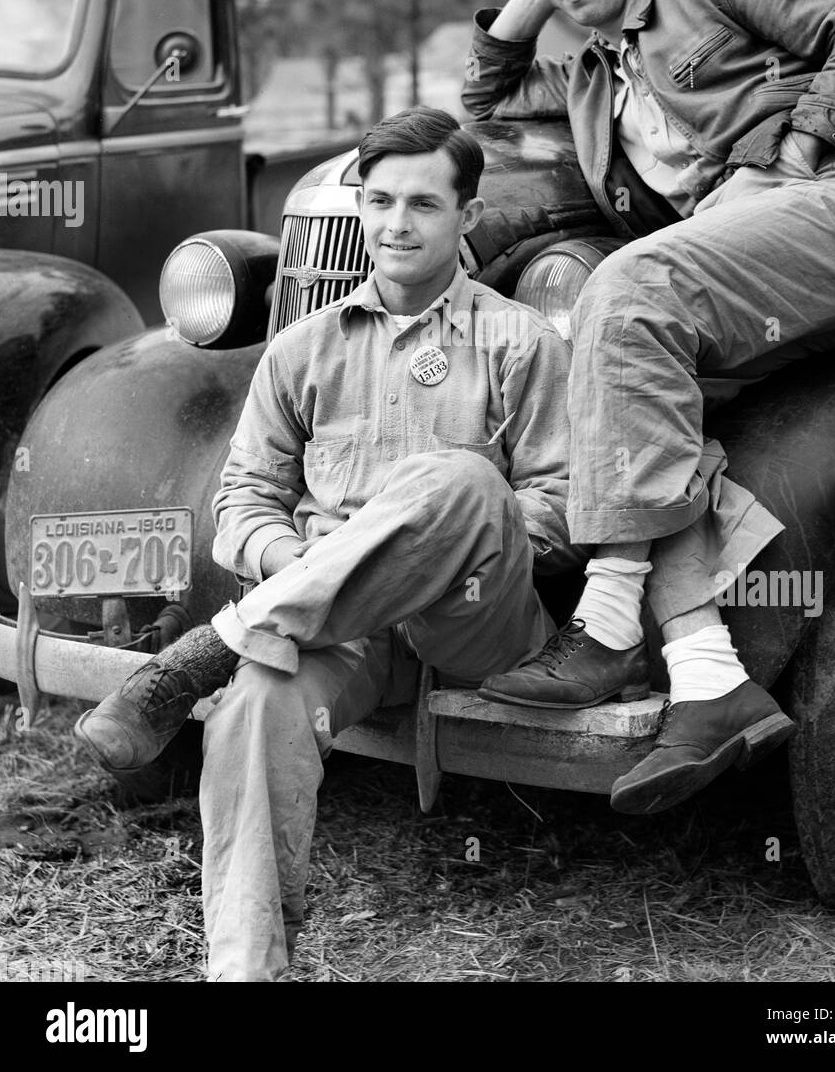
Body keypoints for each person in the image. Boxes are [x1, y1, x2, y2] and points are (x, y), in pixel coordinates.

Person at [74, 106, 586, 981]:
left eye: (423, 205)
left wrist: (427, 535)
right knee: (253, 706)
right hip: (335, 629)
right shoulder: (300, 349)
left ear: (466, 217)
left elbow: (564, 506)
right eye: (380, 201)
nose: (396, 224)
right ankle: (249, 967)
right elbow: (242, 503)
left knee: (459, 479)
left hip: (474, 620)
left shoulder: (521, 340)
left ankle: (207, 651)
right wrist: (316, 564)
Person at [462, 0, 835, 815]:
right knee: (629, 398)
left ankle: (603, 623)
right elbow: (482, 97)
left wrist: (801, 142)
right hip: (735, 277)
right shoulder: (584, 83)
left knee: (623, 290)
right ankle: (709, 675)